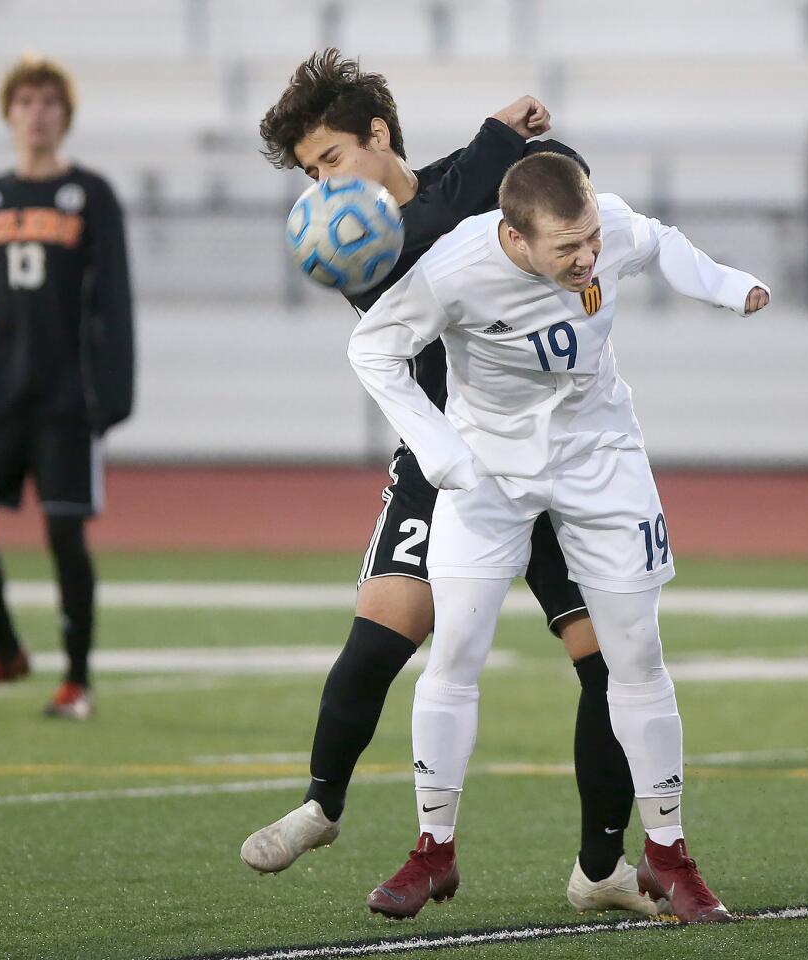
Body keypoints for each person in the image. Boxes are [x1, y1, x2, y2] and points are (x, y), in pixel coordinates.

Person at [241, 49, 653, 917]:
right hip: (445, 457)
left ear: (377, 134)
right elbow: (424, 257)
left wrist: (513, 149)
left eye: (328, 161)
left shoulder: (475, 176)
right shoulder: (364, 244)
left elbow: (561, 187)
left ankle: (600, 868)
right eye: (310, 173)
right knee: (386, 626)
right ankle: (322, 804)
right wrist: (493, 139)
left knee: (603, 661)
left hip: (547, 453)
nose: (321, 185)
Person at [348, 152, 770, 922]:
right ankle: (430, 851)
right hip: (488, 470)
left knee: (635, 655)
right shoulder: (453, 270)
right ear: (513, 237)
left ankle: (669, 854)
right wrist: (437, 448)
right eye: (566, 248)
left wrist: (727, 285)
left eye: (589, 241)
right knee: (455, 652)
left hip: (599, 457)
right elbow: (372, 349)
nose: (587, 257)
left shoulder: (600, 224)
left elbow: (662, 242)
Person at [0, 55, 134, 720]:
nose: (37, 113)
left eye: (49, 102)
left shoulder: (92, 195)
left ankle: (76, 680)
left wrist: (114, 392)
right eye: (25, 102)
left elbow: (114, 298)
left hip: (63, 401)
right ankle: (4, 652)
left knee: (64, 536)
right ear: (8, 113)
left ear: (65, 116)